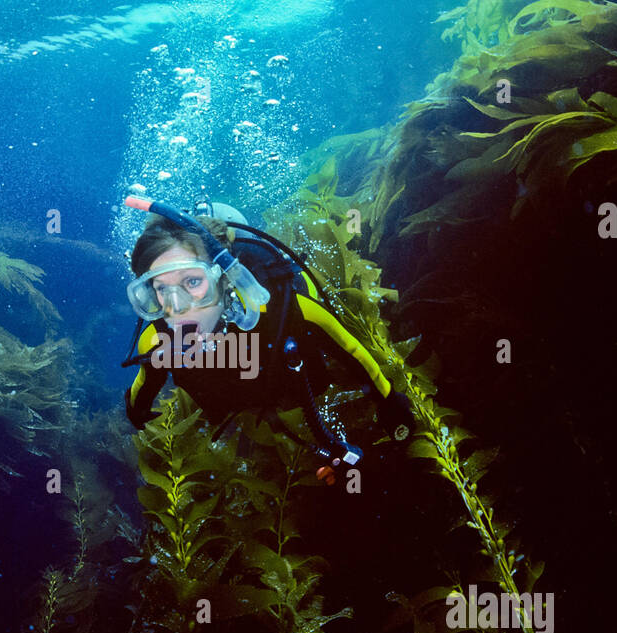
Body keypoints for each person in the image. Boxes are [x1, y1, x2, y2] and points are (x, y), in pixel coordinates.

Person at [121, 197, 413, 483]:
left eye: (193, 282)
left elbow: (351, 350)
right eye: (162, 289)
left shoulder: (285, 311)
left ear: (224, 277)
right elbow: (145, 380)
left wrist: (388, 401)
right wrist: (138, 408)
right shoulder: (159, 341)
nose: (178, 305)